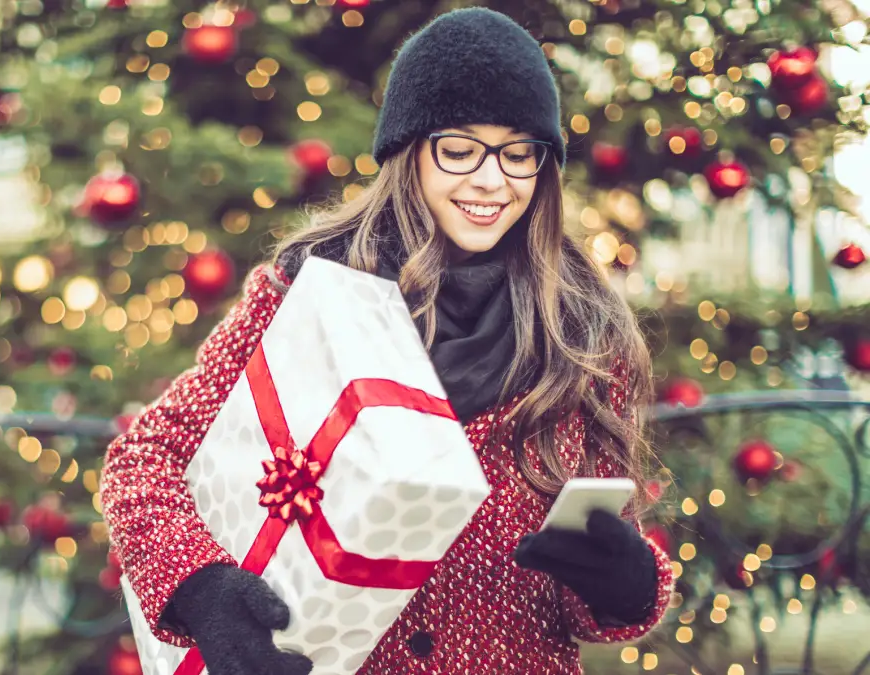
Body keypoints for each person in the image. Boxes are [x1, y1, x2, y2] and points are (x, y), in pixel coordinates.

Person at [101, 8, 673, 675]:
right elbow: (143, 458)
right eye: (460, 148)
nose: (492, 179)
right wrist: (201, 589)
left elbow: (591, 598)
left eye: (518, 153)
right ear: (409, 151)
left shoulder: (581, 329)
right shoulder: (311, 291)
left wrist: (628, 580)